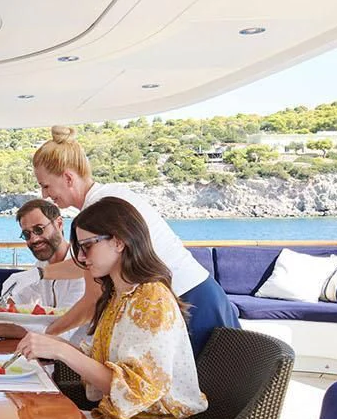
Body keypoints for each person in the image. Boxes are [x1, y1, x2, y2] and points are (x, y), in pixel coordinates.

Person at [13, 197, 207, 419]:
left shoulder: (151, 300)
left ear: (118, 241)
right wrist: (52, 346)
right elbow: (94, 356)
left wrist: (61, 352)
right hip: (124, 417)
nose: (83, 258)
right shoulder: (118, 295)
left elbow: (136, 388)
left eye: (87, 246)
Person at [31, 125, 238, 354]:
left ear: (68, 177)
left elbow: (93, 299)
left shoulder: (102, 210)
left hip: (188, 301)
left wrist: (47, 336)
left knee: (205, 387)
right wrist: (40, 274)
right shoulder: (108, 196)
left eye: (45, 185)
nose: (44, 195)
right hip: (194, 295)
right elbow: (87, 264)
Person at [0, 198, 87, 341]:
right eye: (27, 234)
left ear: (59, 224)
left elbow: (62, 333)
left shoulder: (83, 270)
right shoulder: (41, 265)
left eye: (39, 229)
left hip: (76, 355)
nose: (34, 239)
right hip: (46, 356)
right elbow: (15, 302)